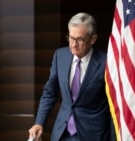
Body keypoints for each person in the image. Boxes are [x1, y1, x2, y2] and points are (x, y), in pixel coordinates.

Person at [28, 12, 115, 141]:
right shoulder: (60, 56)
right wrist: (39, 122)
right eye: (71, 37)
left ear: (93, 39)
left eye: (80, 39)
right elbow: (50, 93)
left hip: (93, 135)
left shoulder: (107, 62)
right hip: (62, 133)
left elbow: (113, 105)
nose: (73, 44)